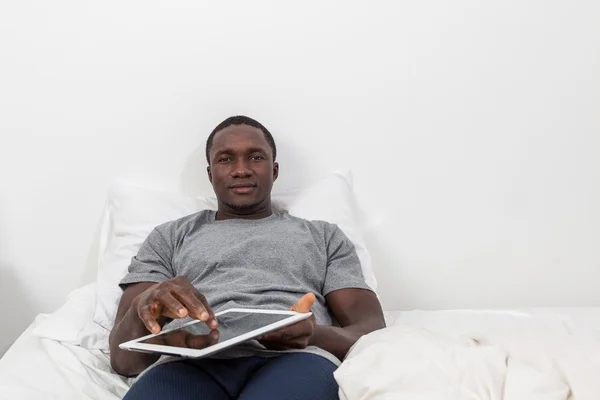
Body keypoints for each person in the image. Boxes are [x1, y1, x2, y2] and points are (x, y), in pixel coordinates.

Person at [109, 115, 386, 400]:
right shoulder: (168, 237)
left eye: (255, 157)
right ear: (209, 174)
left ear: (274, 170)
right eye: (225, 159)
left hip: (296, 359)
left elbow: (371, 332)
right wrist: (147, 304)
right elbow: (123, 361)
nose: (241, 170)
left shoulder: (324, 237)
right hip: (189, 363)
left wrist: (311, 333)